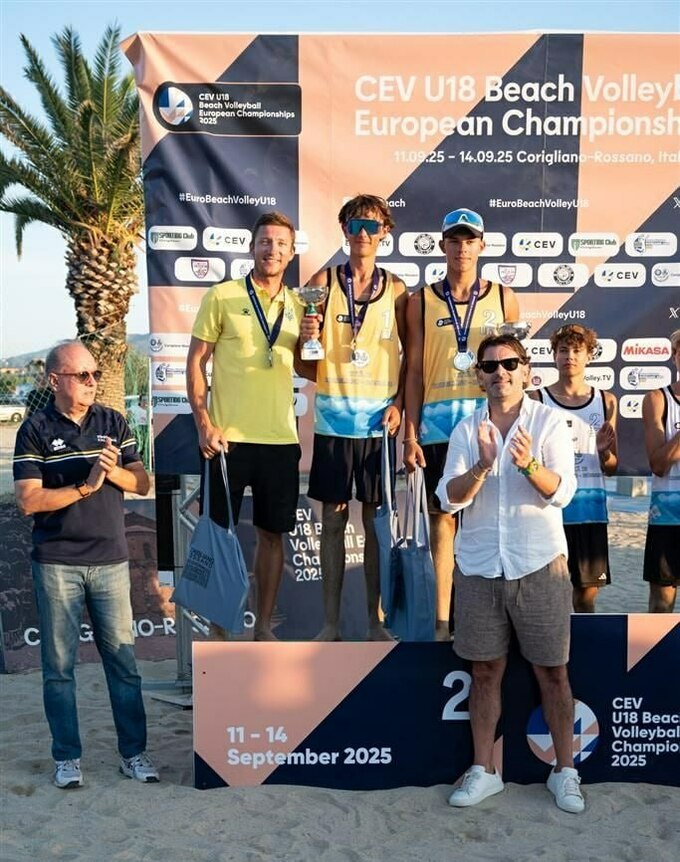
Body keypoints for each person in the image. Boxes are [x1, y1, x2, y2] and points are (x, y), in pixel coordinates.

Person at [435, 334, 584, 814]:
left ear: (526, 371)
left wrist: (527, 464)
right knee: (483, 672)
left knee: (553, 674)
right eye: (490, 366)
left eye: (509, 364)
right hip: (479, 566)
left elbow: (561, 492)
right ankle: (484, 771)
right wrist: (483, 464)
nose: (500, 372)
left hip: (539, 564)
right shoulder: (466, 429)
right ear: (479, 377)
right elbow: (448, 498)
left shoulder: (549, 423)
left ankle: (565, 771)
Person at [13, 340, 159, 789]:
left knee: (124, 664)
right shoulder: (35, 429)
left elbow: (141, 482)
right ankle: (67, 758)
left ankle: (133, 754)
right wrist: (86, 485)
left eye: (95, 374)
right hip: (57, 563)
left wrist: (111, 472)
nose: (93, 382)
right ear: (55, 380)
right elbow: (28, 501)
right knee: (59, 669)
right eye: (83, 375)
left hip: (110, 560)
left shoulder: (113, 422)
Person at [186, 211, 317, 641]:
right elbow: (196, 362)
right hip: (227, 441)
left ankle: (262, 628)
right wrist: (203, 423)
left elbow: (309, 370)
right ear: (252, 247)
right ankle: (219, 632)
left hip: (279, 440)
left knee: (272, 536)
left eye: (281, 244)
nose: (272, 250)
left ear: (291, 252)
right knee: (219, 536)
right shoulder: (222, 296)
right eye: (265, 242)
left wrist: (312, 341)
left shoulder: (300, 305)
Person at [404, 208, 519, 638]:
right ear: (442, 246)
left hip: (488, 428)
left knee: (490, 521)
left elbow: (514, 368)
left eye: (470, 241)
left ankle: (485, 622)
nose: (462, 248)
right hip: (438, 429)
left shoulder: (504, 297)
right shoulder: (420, 300)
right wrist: (410, 434)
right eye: (454, 240)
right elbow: (413, 371)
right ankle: (441, 623)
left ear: (482, 246)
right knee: (443, 523)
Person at [303, 194, 407, 641]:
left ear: (385, 232)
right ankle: (330, 624)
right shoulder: (322, 282)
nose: (363, 233)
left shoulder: (398, 290)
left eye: (372, 225)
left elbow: (413, 358)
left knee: (375, 523)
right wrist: (307, 340)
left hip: (378, 425)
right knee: (332, 520)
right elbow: (302, 361)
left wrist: (400, 403)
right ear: (344, 230)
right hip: (333, 422)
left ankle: (374, 622)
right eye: (355, 224)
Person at [532, 325, 618, 612]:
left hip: (590, 512)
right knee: (549, 596)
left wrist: (604, 453)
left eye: (577, 350)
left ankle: (579, 643)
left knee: (585, 598)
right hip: (550, 513)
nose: (570, 356)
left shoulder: (606, 400)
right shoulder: (536, 399)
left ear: (589, 356)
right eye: (563, 350)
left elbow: (612, 468)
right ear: (554, 356)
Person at [642, 328, 680, 612]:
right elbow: (658, 465)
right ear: (674, 356)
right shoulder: (657, 399)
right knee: (661, 606)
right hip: (668, 515)